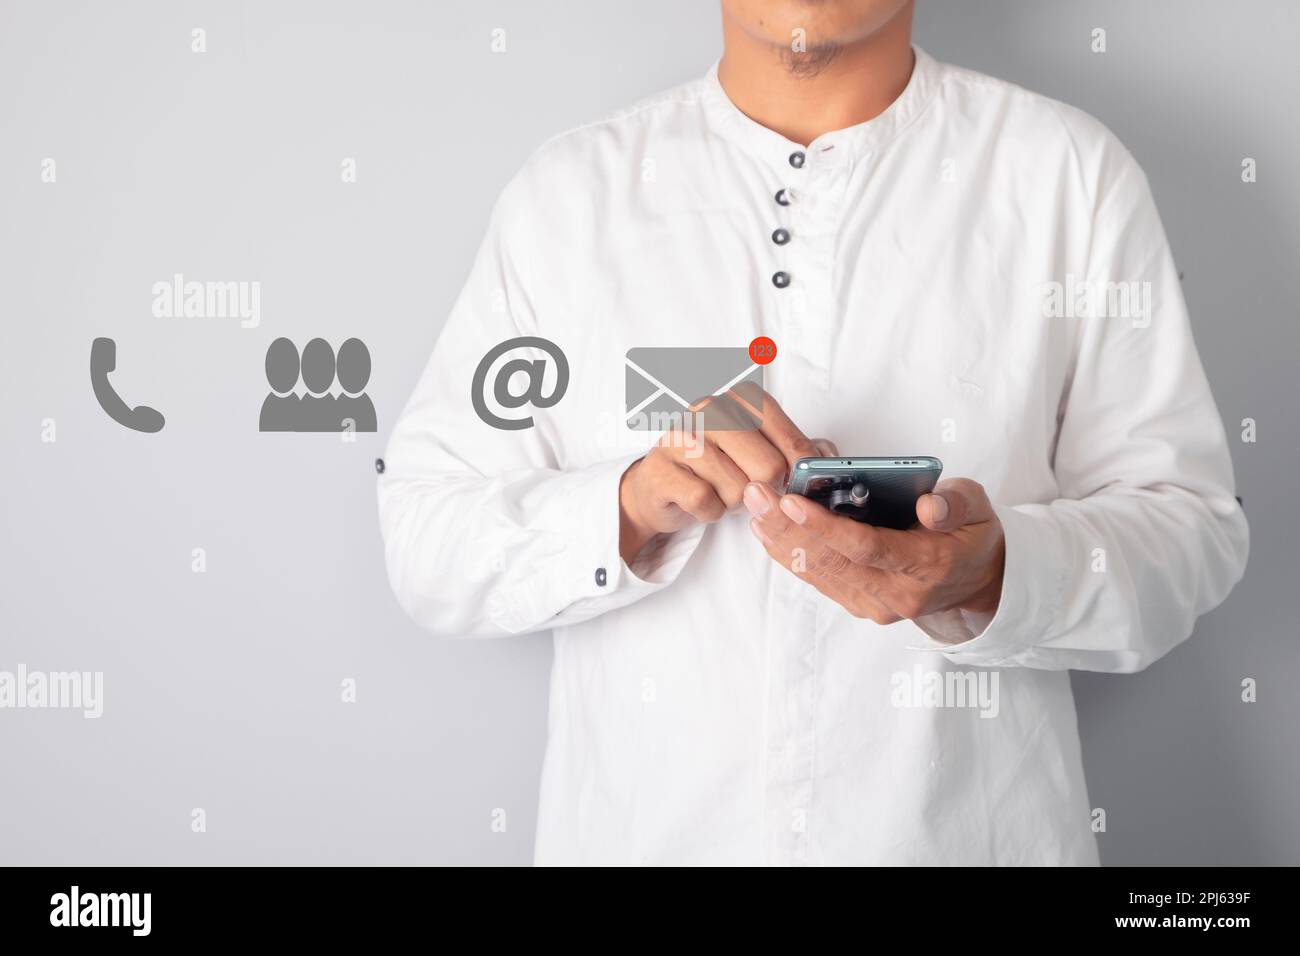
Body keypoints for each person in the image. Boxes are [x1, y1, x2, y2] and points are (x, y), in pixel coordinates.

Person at [378, 0, 1249, 865]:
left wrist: (994, 576)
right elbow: (427, 540)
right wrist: (629, 507)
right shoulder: (569, 198)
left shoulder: (1066, 175)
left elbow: (1190, 532)